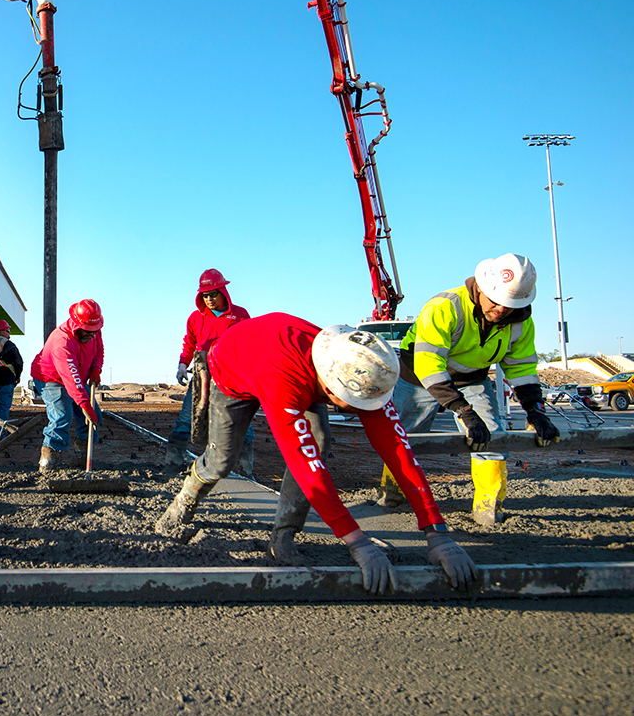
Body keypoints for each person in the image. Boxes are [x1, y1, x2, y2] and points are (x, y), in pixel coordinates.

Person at [154, 313, 478, 595]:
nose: (368, 412)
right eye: (359, 406)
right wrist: (358, 542)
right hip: (232, 374)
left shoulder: (359, 366)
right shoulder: (284, 378)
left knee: (320, 444)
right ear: (335, 390)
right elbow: (305, 465)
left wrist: (437, 533)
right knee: (222, 461)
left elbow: (399, 452)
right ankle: (185, 499)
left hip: (294, 368)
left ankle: (283, 535)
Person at [378, 253, 559, 526]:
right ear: (482, 288)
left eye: (509, 305)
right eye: (496, 302)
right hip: (418, 375)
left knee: (492, 436)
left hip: (472, 378)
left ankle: (488, 510)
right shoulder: (444, 306)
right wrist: (464, 411)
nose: (501, 310)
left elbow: (521, 368)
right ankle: (392, 499)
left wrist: (535, 410)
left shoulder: (520, 321)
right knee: (405, 438)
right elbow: (429, 364)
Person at [165, 269, 252, 473]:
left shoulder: (240, 315)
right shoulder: (196, 318)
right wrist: (182, 364)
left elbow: (248, 344)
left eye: (213, 294)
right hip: (202, 375)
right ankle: (173, 463)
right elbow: (189, 342)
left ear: (223, 292)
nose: (210, 299)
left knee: (242, 423)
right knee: (188, 417)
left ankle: (246, 469)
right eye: (205, 295)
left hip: (232, 377)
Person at [30, 300, 104, 472]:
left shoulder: (94, 329)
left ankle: (82, 456)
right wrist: (84, 403)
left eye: (95, 331)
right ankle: (49, 462)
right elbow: (71, 378)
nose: (92, 335)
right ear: (78, 325)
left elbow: (99, 350)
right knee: (62, 416)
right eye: (87, 332)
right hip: (51, 378)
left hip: (76, 377)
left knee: (94, 417)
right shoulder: (62, 342)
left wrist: (95, 370)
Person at [0, 320, 24, 438]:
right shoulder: (9, 344)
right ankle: (0, 436)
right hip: (6, 379)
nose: (9, 334)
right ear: (1, 331)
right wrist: (17, 376)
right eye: (7, 331)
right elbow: (18, 362)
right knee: (3, 407)